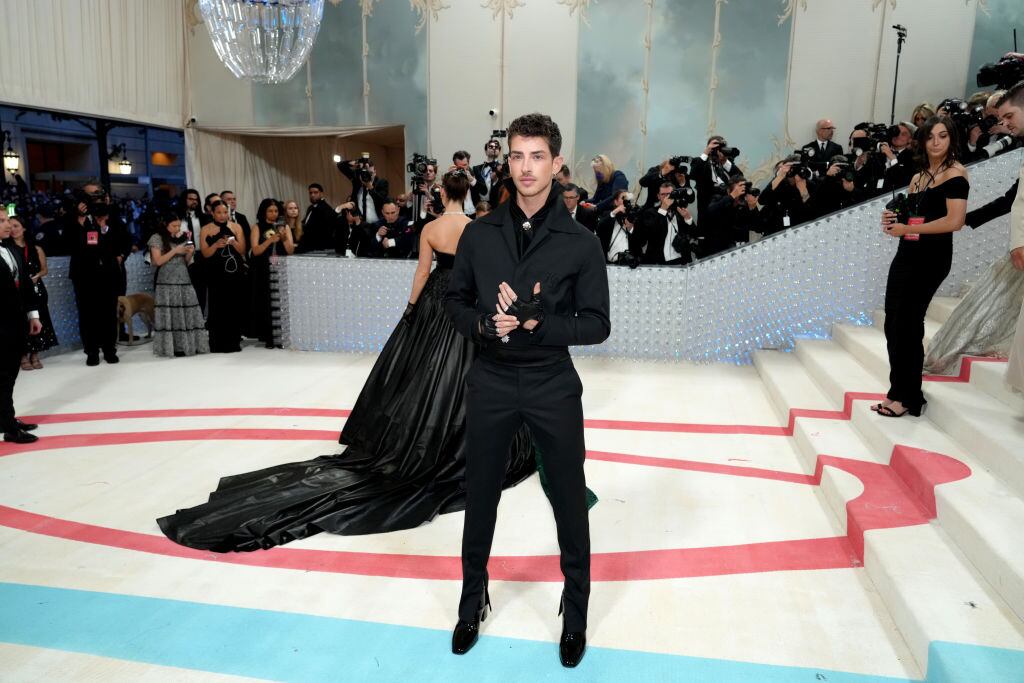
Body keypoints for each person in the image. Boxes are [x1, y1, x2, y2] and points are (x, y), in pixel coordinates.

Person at [156, 170, 539, 564]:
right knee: (467, 373)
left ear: (442, 195)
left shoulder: (431, 228)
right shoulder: (481, 228)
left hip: (436, 302)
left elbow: (422, 273)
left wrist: (411, 309)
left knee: (424, 375)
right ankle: (463, 436)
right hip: (469, 305)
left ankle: (424, 434)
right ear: (469, 192)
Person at [445, 112, 610, 668]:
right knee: (480, 496)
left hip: (551, 381)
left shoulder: (581, 242)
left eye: (537, 156)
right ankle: (472, 601)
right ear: (507, 161)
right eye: (517, 155)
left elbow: (597, 324)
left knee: (568, 498)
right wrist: (484, 324)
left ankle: (576, 610)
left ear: (557, 163)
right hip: (490, 378)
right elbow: (453, 302)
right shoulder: (478, 233)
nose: (526, 167)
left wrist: (542, 323)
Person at [876, 116, 969, 417]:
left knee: (908, 324)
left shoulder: (956, 174)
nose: (936, 142)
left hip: (932, 258)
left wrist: (908, 228)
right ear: (923, 141)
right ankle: (896, 392)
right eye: (930, 136)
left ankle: (909, 397)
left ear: (952, 139)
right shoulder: (918, 177)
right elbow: (911, 215)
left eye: (943, 135)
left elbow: (955, 221)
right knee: (893, 322)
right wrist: (893, 220)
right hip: (906, 252)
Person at [0, 206, 43, 444]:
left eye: (7, 220)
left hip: (15, 321)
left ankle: (6, 419)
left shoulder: (11, 249)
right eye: (1, 221)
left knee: (9, 374)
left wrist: (33, 315)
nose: (8, 225)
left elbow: (25, 284)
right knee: (3, 375)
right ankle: (9, 427)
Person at [67, 191, 121, 366]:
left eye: (100, 200)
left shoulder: (111, 218)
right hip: (84, 276)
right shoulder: (75, 220)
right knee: (87, 315)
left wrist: (104, 226)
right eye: (93, 201)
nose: (97, 205)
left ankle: (109, 350)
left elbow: (120, 242)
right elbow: (71, 244)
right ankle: (91, 352)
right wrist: (80, 220)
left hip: (108, 275)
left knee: (109, 314)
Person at [148, 214, 208, 357]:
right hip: (166, 280)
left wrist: (189, 253)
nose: (177, 228)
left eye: (179, 226)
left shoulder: (183, 237)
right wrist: (175, 250)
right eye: (174, 226)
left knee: (186, 312)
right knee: (170, 314)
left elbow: (185, 261)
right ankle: (172, 347)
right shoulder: (156, 238)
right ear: (165, 224)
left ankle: (187, 345)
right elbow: (157, 261)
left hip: (184, 278)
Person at [8, 216, 57, 368]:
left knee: (39, 319)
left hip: (36, 290)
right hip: (16, 291)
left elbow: (44, 270)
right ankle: (23, 355)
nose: (13, 229)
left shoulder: (36, 248)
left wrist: (36, 276)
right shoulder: (7, 249)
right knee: (21, 321)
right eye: (10, 226)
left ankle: (35, 354)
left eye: (16, 226)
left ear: (24, 228)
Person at [200, 200, 247, 353]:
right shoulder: (206, 229)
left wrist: (233, 243)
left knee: (233, 306)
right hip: (215, 272)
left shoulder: (236, 227)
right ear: (212, 213)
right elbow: (205, 254)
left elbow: (242, 250)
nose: (222, 215)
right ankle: (217, 343)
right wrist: (215, 245)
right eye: (219, 212)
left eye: (225, 212)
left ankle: (234, 341)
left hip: (234, 271)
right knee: (217, 306)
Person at [249, 198, 295, 348]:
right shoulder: (257, 227)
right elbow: (255, 250)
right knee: (266, 302)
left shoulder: (284, 227)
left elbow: (290, 250)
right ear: (264, 212)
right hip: (263, 268)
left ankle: (282, 336)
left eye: (276, 211)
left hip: (280, 268)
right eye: (270, 211)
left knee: (280, 301)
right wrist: (270, 240)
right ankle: (268, 336)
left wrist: (283, 238)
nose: (273, 214)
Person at [297, 183, 338, 253]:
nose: (312, 195)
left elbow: (326, 230)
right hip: (308, 246)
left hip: (319, 248)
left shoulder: (326, 209)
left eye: (315, 192)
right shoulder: (310, 207)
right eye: (310, 193)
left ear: (321, 194)